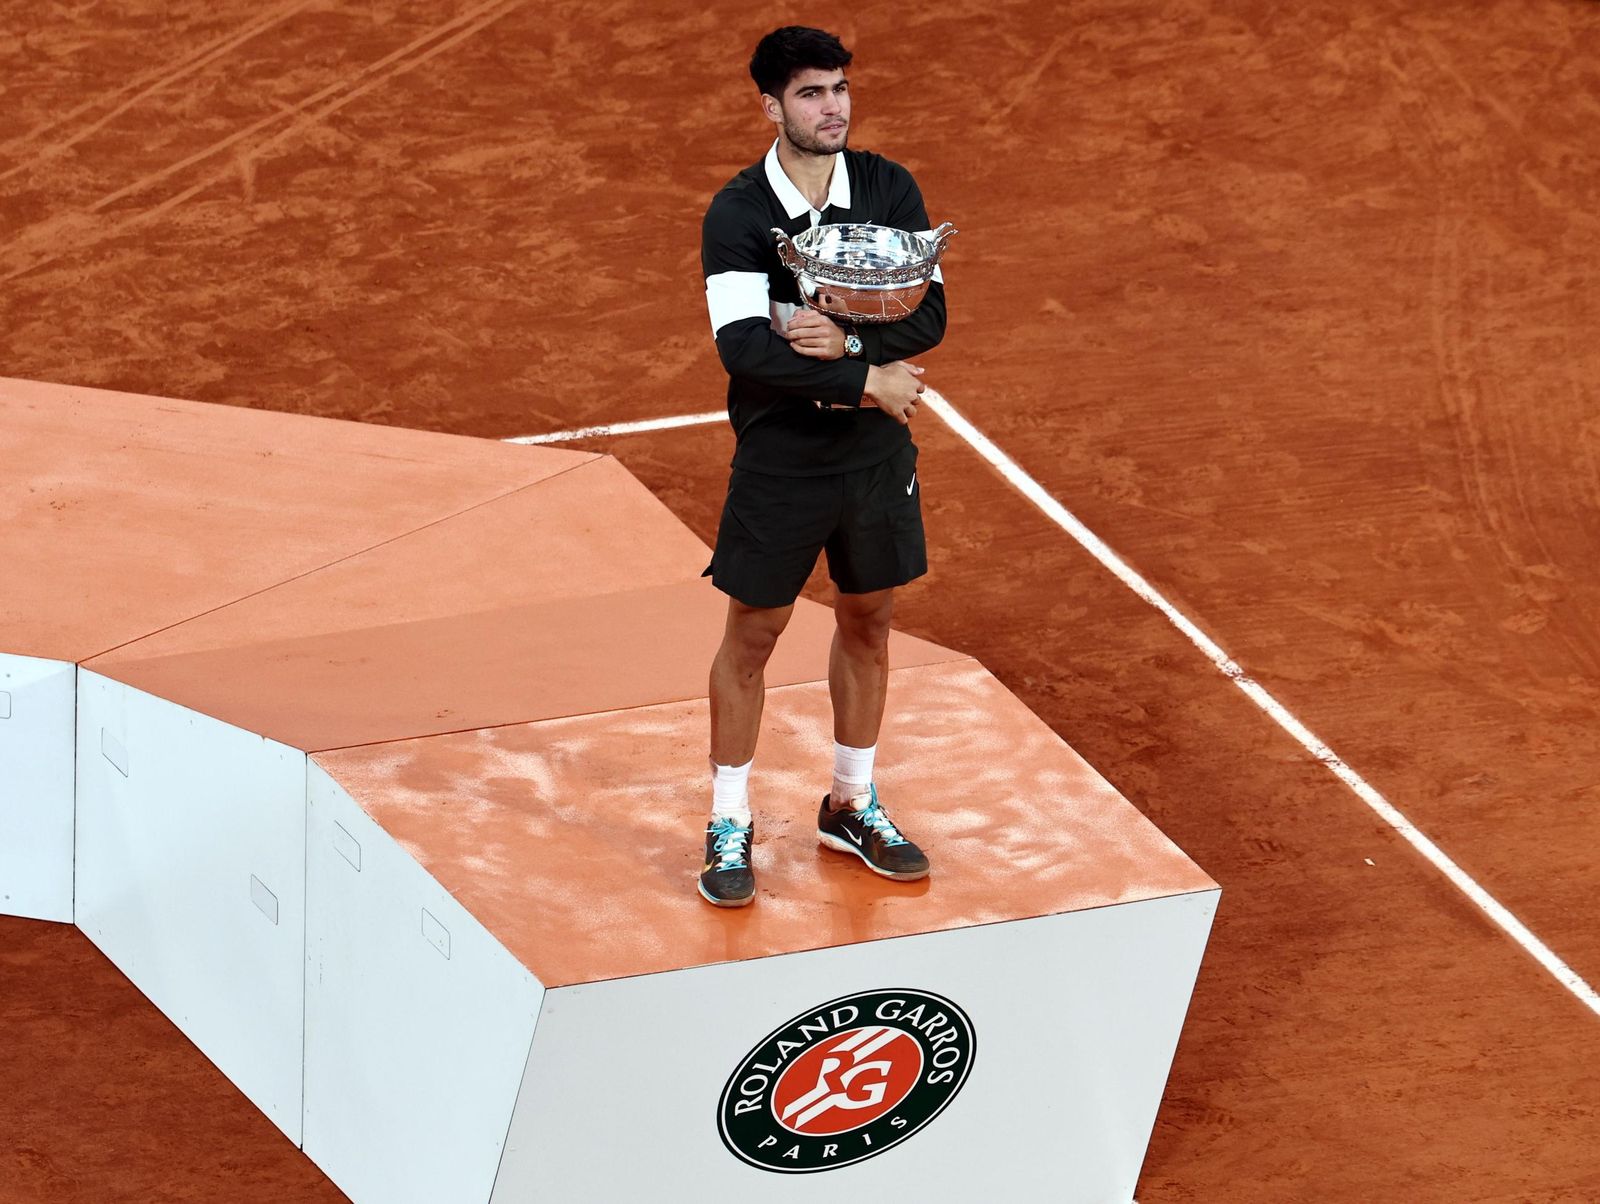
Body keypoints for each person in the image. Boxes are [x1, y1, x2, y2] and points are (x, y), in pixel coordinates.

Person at [696, 25, 947, 907]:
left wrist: (846, 338)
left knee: (870, 619)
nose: (832, 106)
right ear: (771, 105)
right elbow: (742, 350)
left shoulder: (887, 187)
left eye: (838, 88)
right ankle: (731, 819)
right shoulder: (738, 215)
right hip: (783, 456)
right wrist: (863, 374)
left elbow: (930, 316)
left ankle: (851, 801)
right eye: (810, 93)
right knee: (754, 633)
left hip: (875, 453)